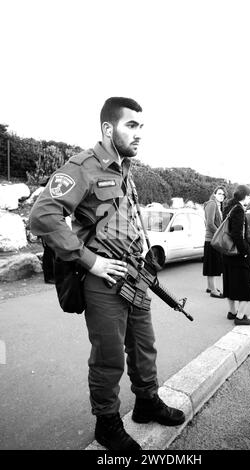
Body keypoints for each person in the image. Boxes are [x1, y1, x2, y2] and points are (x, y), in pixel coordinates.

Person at [29, 97, 185, 452]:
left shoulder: (125, 169)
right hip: (104, 279)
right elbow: (43, 216)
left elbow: (123, 220)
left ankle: (147, 402)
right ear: (107, 128)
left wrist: (146, 256)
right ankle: (107, 424)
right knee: (109, 355)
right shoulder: (83, 166)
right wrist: (88, 260)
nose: (139, 133)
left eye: (141, 127)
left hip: (135, 275)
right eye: (131, 125)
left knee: (144, 346)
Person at [222, 185, 250, 326]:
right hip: (238, 253)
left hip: (227, 251)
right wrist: (245, 254)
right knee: (246, 285)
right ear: (245, 196)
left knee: (230, 282)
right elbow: (237, 234)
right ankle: (240, 317)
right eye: (249, 195)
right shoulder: (239, 210)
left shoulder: (228, 207)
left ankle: (232, 312)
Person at [203, 186, 226, 297]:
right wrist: (220, 233)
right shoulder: (212, 204)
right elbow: (210, 224)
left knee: (211, 264)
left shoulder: (215, 204)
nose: (221, 196)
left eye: (223, 194)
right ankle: (213, 291)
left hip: (211, 239)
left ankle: (210, 287)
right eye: (220, 193)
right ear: (215, 193)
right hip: (212, 239)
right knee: (213, 266)